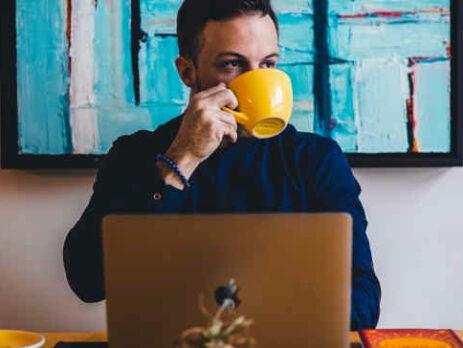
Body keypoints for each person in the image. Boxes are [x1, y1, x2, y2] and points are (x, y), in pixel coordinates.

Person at [63, 0, 381, 330]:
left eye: (268, 64)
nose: (257, 80)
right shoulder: (135, 155)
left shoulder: (315, 161)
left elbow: (363, 302)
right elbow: (87, 281)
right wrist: (179, 163)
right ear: (187, 72)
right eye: (233, 65)